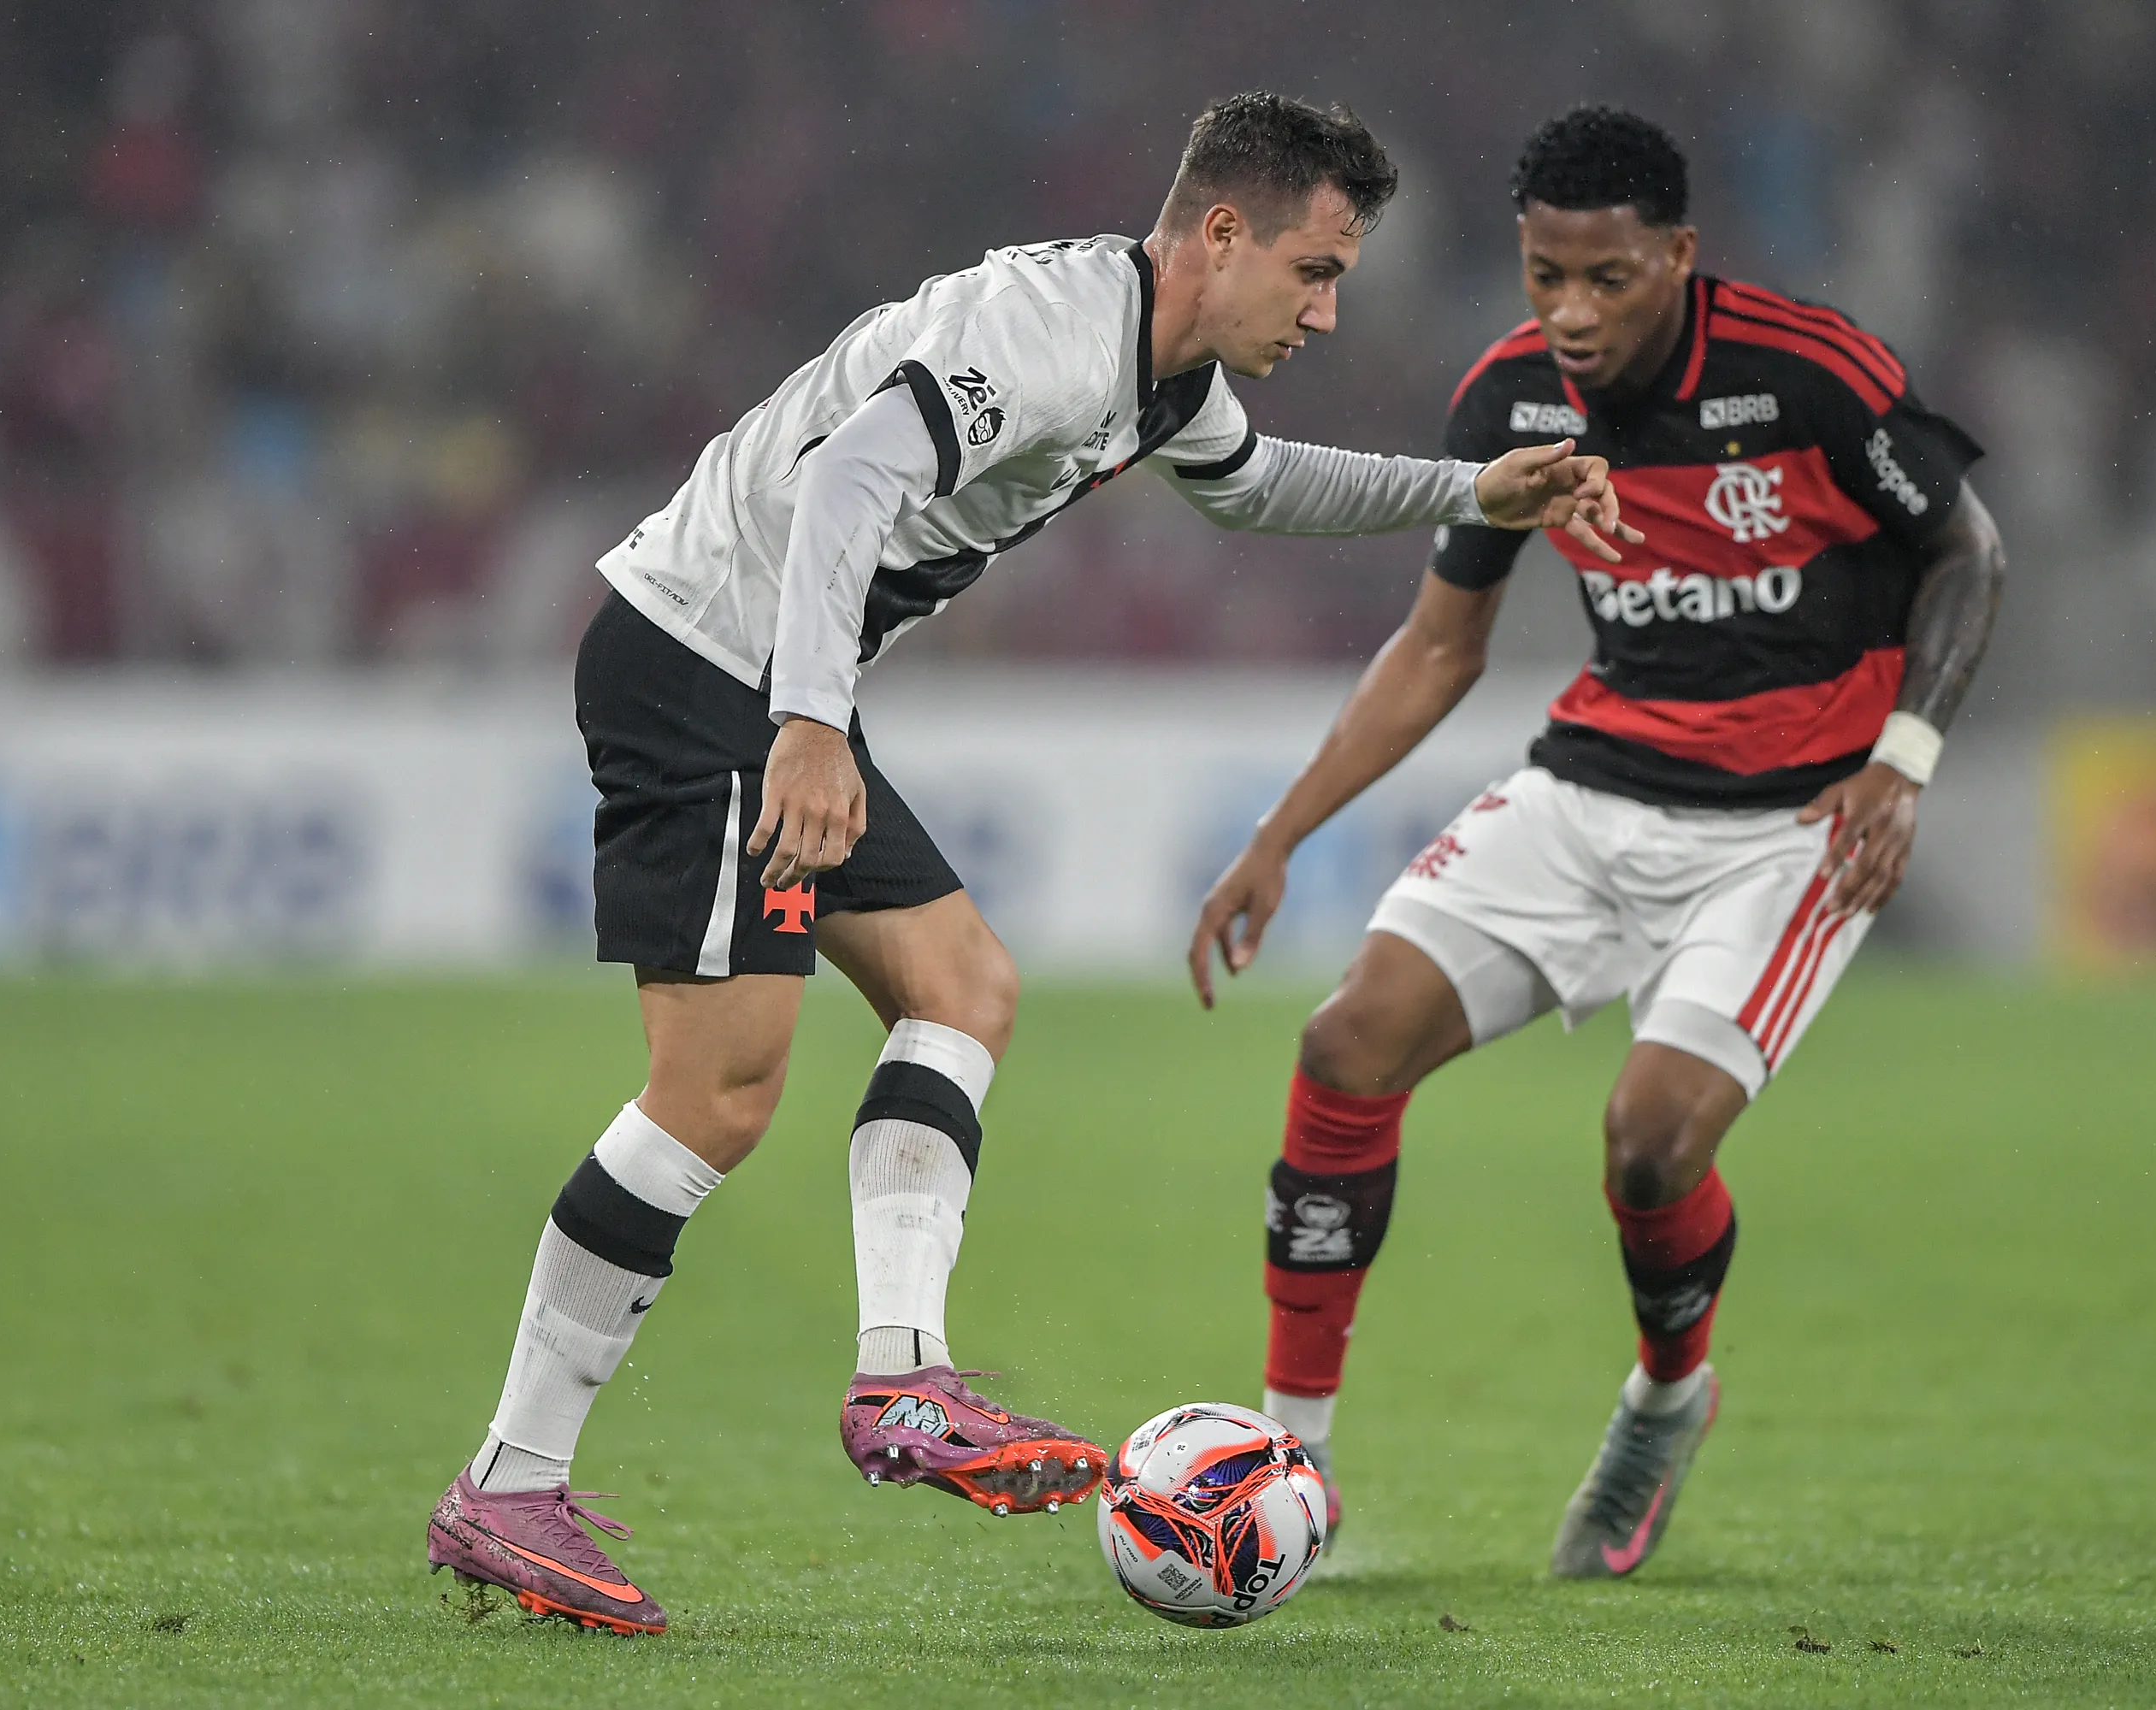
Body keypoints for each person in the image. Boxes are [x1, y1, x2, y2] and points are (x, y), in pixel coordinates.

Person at [426, 91, 1633, 1634]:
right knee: (716, 1094)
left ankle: (902, 1383)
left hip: (768, 684)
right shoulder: (1049, 338)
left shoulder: (1159, 374)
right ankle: (511, 1482)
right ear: (1221, 233)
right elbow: (854, 476)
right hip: (706, 670)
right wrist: (809, 722)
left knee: (964, 990)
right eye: (1315, 272)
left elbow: (1267, 486)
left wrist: (1471, 490)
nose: (1328, 312)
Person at [1187, 105, 2005, 1581]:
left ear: (1678, 256)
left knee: (1650, 1143)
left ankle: (1666, 1398)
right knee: (1345, 1044)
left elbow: (1969, 551)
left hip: (1788, 830)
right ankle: (1290, 1461)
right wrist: (1280, 835)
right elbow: (1439, 649)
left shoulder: (1808, 374)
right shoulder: (1512, 400)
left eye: (1606, 280)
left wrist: (1906, 758)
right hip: (1590, 790)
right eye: (1543, 276)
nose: (1569, 312)